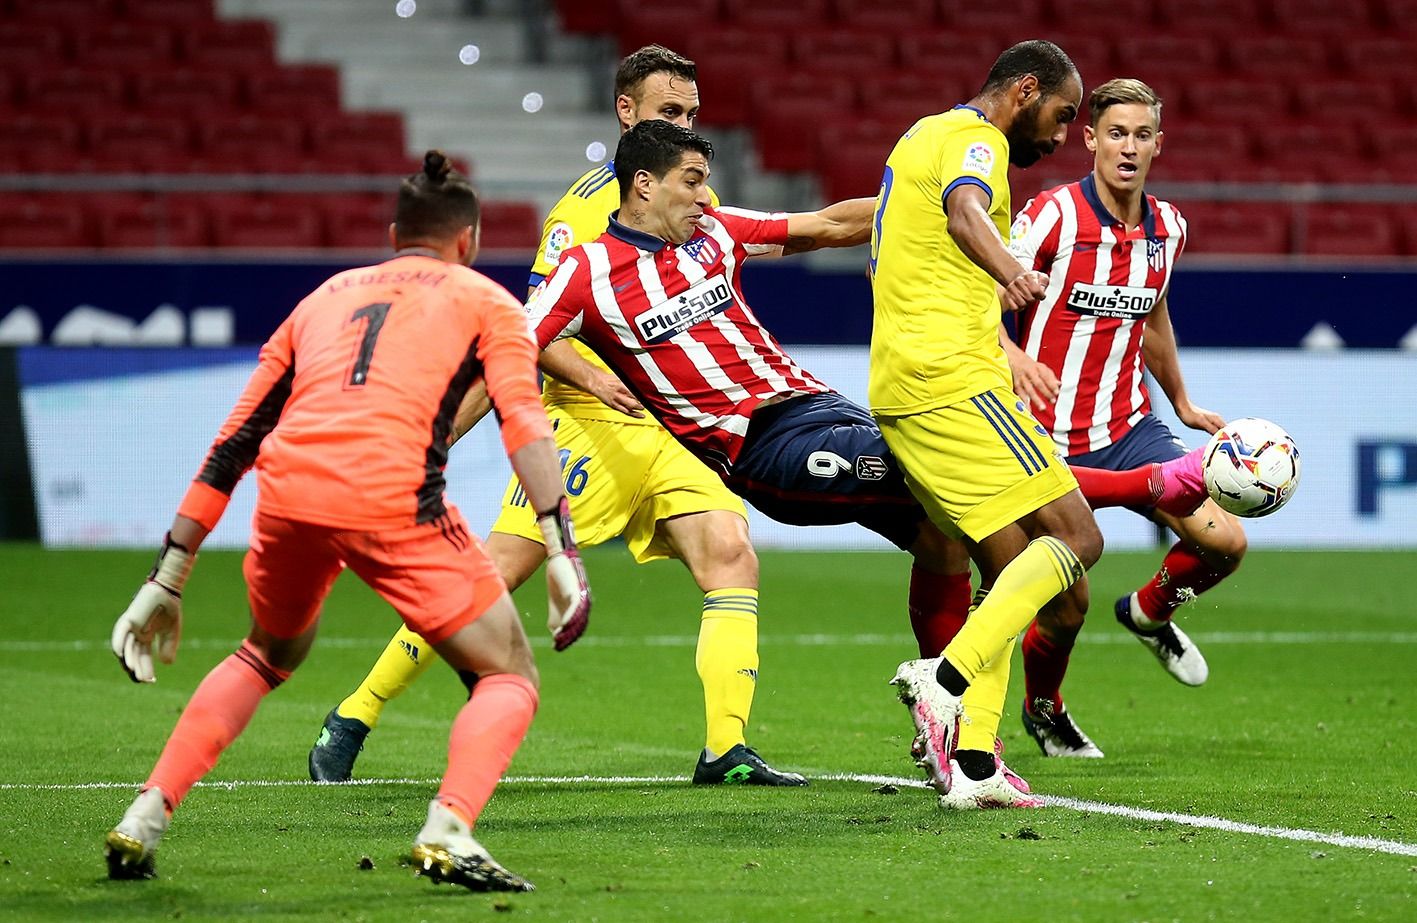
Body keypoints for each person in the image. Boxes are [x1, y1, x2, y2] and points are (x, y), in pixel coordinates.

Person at [307, 45, 809, 788]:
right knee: (488, 577)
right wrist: (591, 381)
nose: (684, 125)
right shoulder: (584, 211)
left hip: (673, 429)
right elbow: (537, 329)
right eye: (669, 112)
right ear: (627, 113)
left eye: (692, 115)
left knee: (731, 553)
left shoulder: (688, 199)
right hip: (588, 427)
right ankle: (355, 713)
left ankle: (724, 748)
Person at [104, 152, 589, 893]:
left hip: (289, 494)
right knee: (508, 672)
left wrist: (167, 576)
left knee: (266, 652)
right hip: (396, 498)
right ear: (469, 241)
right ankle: (449, 828)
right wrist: (559, 544)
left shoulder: (324, 296)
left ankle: (144, 813)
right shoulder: (489, 301)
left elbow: (233, 441)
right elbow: (524, 425)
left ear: (397, 233)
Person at [867, 40, 1112, 807]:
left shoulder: (920, 135)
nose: (1063, 134)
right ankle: (944, 680)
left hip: (906, 383)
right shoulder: (976, 140)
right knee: (1076, 538)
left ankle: (973, 761)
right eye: (1063, 114)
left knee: (1010, 571)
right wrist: (1010, 269)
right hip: (952, 382)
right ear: (1024, 89)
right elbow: (966, 208)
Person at [1003, 77, 1246, 758]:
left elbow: (1155, 318)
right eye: (1115, 133)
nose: (1127, 147)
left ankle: (1147, 611)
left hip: (1128, 427)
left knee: (1224, 542)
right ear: (1089, 140)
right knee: (1065, 607)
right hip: (1040, 441)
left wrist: (1183, 403)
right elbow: (980, 303)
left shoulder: (1168, 227)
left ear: (1158, 144)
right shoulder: (1049, 216)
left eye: (1141, 134)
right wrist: (1014, 355)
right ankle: (1043, 708)